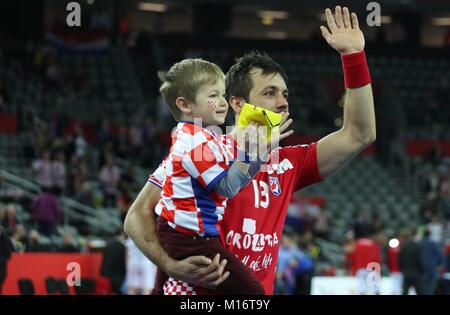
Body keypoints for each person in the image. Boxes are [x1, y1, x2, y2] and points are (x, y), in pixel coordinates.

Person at [124, 5, 375, 295]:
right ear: (238, 103)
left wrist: (353, 57)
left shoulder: (290, 162)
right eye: (270, 93)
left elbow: (360, 133)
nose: (282, 103)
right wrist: (170, 265)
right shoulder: (204, 151)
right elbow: (136, 216)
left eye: (285, 94)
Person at [152, 58, 275, 295]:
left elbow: (238, 173)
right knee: (254, 293)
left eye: (222, 94)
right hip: (190, 237)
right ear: (185, 104)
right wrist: (254, 152)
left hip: (175, 229)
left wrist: (257, 152)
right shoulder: (194, 143)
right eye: (213, 95)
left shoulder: (201, 136)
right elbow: (228, 187)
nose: (222, 102)